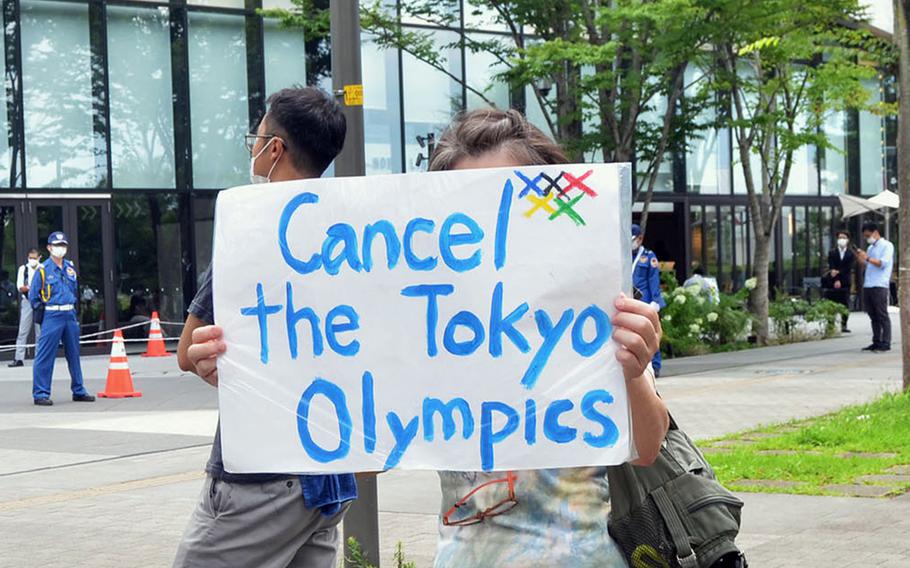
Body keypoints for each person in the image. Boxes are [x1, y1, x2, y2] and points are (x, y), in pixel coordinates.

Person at [428, 109, 669, 568]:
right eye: (468, 203)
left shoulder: (589, 303)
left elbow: (647, 448)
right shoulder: (431, 318)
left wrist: (635, 369)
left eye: (508, 199)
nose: (492, 218)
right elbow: (368, 459)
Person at [174, 87, 356, 568]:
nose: (252, 148)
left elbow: (185, 350)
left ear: (274, 148)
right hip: (331, 475)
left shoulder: (251, 229)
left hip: (260, 477)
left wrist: (205, 356)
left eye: (255, 138)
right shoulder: (356, 235)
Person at [29, 232, 95, 406]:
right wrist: (44, 311)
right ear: (49, 248)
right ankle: (41, 393)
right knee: (45, 355)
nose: (60, 248)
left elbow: (74, 290)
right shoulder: (43, 270)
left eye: (63, 245)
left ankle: (79, 390)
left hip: (69, 314)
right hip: (52, 314)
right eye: (57, 245)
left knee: (74, 354)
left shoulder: (70, 268)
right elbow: (33, 297)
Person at [631, 223, 666, 376]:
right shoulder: (625, 256)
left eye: (633, 239)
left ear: (640, 238)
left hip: (646, 303)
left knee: (650, 334)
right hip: (630, 303)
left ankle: (656, 365)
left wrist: (655, 301)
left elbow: (654, 280)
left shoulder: (649, 257)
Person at [855, 222, 893, 352]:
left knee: (882, 314)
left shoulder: (887, 245)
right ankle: (876, 341)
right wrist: (860, 258)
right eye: (865, 236)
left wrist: (868, 257)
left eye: (868, 235)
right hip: (869, 284)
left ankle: (886, 342)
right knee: (872, 315)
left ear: (876, 232)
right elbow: (867, 265)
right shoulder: (871, 248)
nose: (867, 238)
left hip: (880, 284)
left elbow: (882, 264)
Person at [9, 249, 43, 367]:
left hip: (40, 302)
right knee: (23, 330)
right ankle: (19, 358)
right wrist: (32, 287)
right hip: (27, 301)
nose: (32, 260)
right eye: (30, 257)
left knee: (40, 331)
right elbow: (20, 287)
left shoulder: (43, 268)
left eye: (34, 258)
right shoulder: (23, 269)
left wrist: (31, 287)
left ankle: (39, 358)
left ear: (39, 257)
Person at [824, 230, 855, 333]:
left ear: (848, 240)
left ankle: (844, 325)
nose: (841, 240)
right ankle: (830, 325)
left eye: (844, 238)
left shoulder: (851, 253)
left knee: (845, 304)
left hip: (845, 280)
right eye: (840, 237)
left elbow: (848, 268)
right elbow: (832, 266)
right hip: (832, 281)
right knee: (831, 303)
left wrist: (839, 274)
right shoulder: (832, 252)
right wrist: (836, 279)